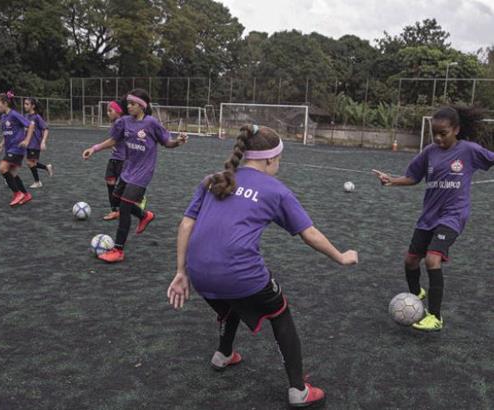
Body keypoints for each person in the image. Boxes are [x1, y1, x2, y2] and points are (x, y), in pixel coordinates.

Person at [167, 125, 358, 407]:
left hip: (199, 273)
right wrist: (341, 256)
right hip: (240, 273)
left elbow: (186, 224)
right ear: (270, 159)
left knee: (232, 301)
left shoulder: (213, 180)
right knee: (280, 315)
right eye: (279, 159)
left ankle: (223, 354)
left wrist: (181, 272)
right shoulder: (275, 190)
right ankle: (298, 390)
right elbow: (309, 234)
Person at [373, 105, 494, 331]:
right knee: (410, 260)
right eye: (434, 134)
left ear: (456, 130)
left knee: (432, 259)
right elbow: (413, 177)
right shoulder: (430, 152)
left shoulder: (468, 150)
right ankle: (417, 292)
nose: (438, 138)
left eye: (443, 133)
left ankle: (435, 317)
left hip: (453, 215)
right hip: (429, 216)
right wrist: (391, 180)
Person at [82, 88, 188, 263]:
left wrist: (178, 141)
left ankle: (118, 250)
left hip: (143, 174)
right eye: (128, 103)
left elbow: (167, 142)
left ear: (142, 106)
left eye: (132, 104)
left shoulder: (151, 123)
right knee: (115, 200)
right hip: (127, 171)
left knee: (123, 208)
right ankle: (144, 215)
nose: (128, 106)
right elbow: (114, 140)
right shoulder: (124, 122)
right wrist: (94, 149)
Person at [0, 92, 35, 206]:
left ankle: (17, 193)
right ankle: (26, 195)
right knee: (12, 173)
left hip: (17, 149)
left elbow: (31, 125)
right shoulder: (3, 117)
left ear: (5, 103)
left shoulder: (14, 114)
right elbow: (7, 134)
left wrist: (26, 140)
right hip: (9, 148)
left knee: (2, 168)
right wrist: (1, 145)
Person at [102, 99, 127, 221]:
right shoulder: (116, 123)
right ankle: (114, 210)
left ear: (118, 111)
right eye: (107, 111)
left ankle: (137, 199)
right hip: (114, 158)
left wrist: (95, 148)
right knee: (110, 182)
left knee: (122, 186)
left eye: (110, 110)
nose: (108, 113)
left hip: (123, 160)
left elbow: (113, 141)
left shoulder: (121, 122)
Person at [23, 97, 53, 188]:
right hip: (28, 144)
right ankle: (46, 167)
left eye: (27, 104)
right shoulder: (26, 116)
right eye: (24, 104)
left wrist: (43, 142)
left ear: (33, 106)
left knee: (30, 163)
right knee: (32, 163)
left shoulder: (37, 117)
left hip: (35, 143)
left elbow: (46, 129)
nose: (25, 106)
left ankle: (37, 182)